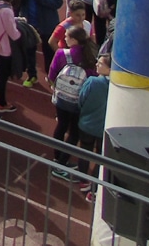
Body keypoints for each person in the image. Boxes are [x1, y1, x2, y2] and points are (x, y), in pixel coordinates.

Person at [48, 24, 99, 181]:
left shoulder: (61, 54)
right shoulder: (89, 56)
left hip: (61, 98)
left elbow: (51, 74)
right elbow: (92, 77)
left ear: (74, 40)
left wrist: (56, 89)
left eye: (67, 37)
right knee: (74, 133)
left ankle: (58, 159)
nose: (64, 38)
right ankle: (62, 162)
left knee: (61, 126)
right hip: (77, 101)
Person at [19, 0, 63, 85]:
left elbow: (58, 2)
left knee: (48, 51)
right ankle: (32, 75)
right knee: (29, 50)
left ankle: (51, 76)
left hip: (46, 23)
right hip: (30, 22)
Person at [76, 53, 112, 200]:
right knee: (100, 157)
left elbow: (81, 98)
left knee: (85, 152)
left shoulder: (92, 82)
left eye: (101, 63)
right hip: (103, 128)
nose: (97, 64)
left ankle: (83, 180)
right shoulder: (116, 88)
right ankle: (95, 187)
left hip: (87, 125)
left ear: (109, 68)